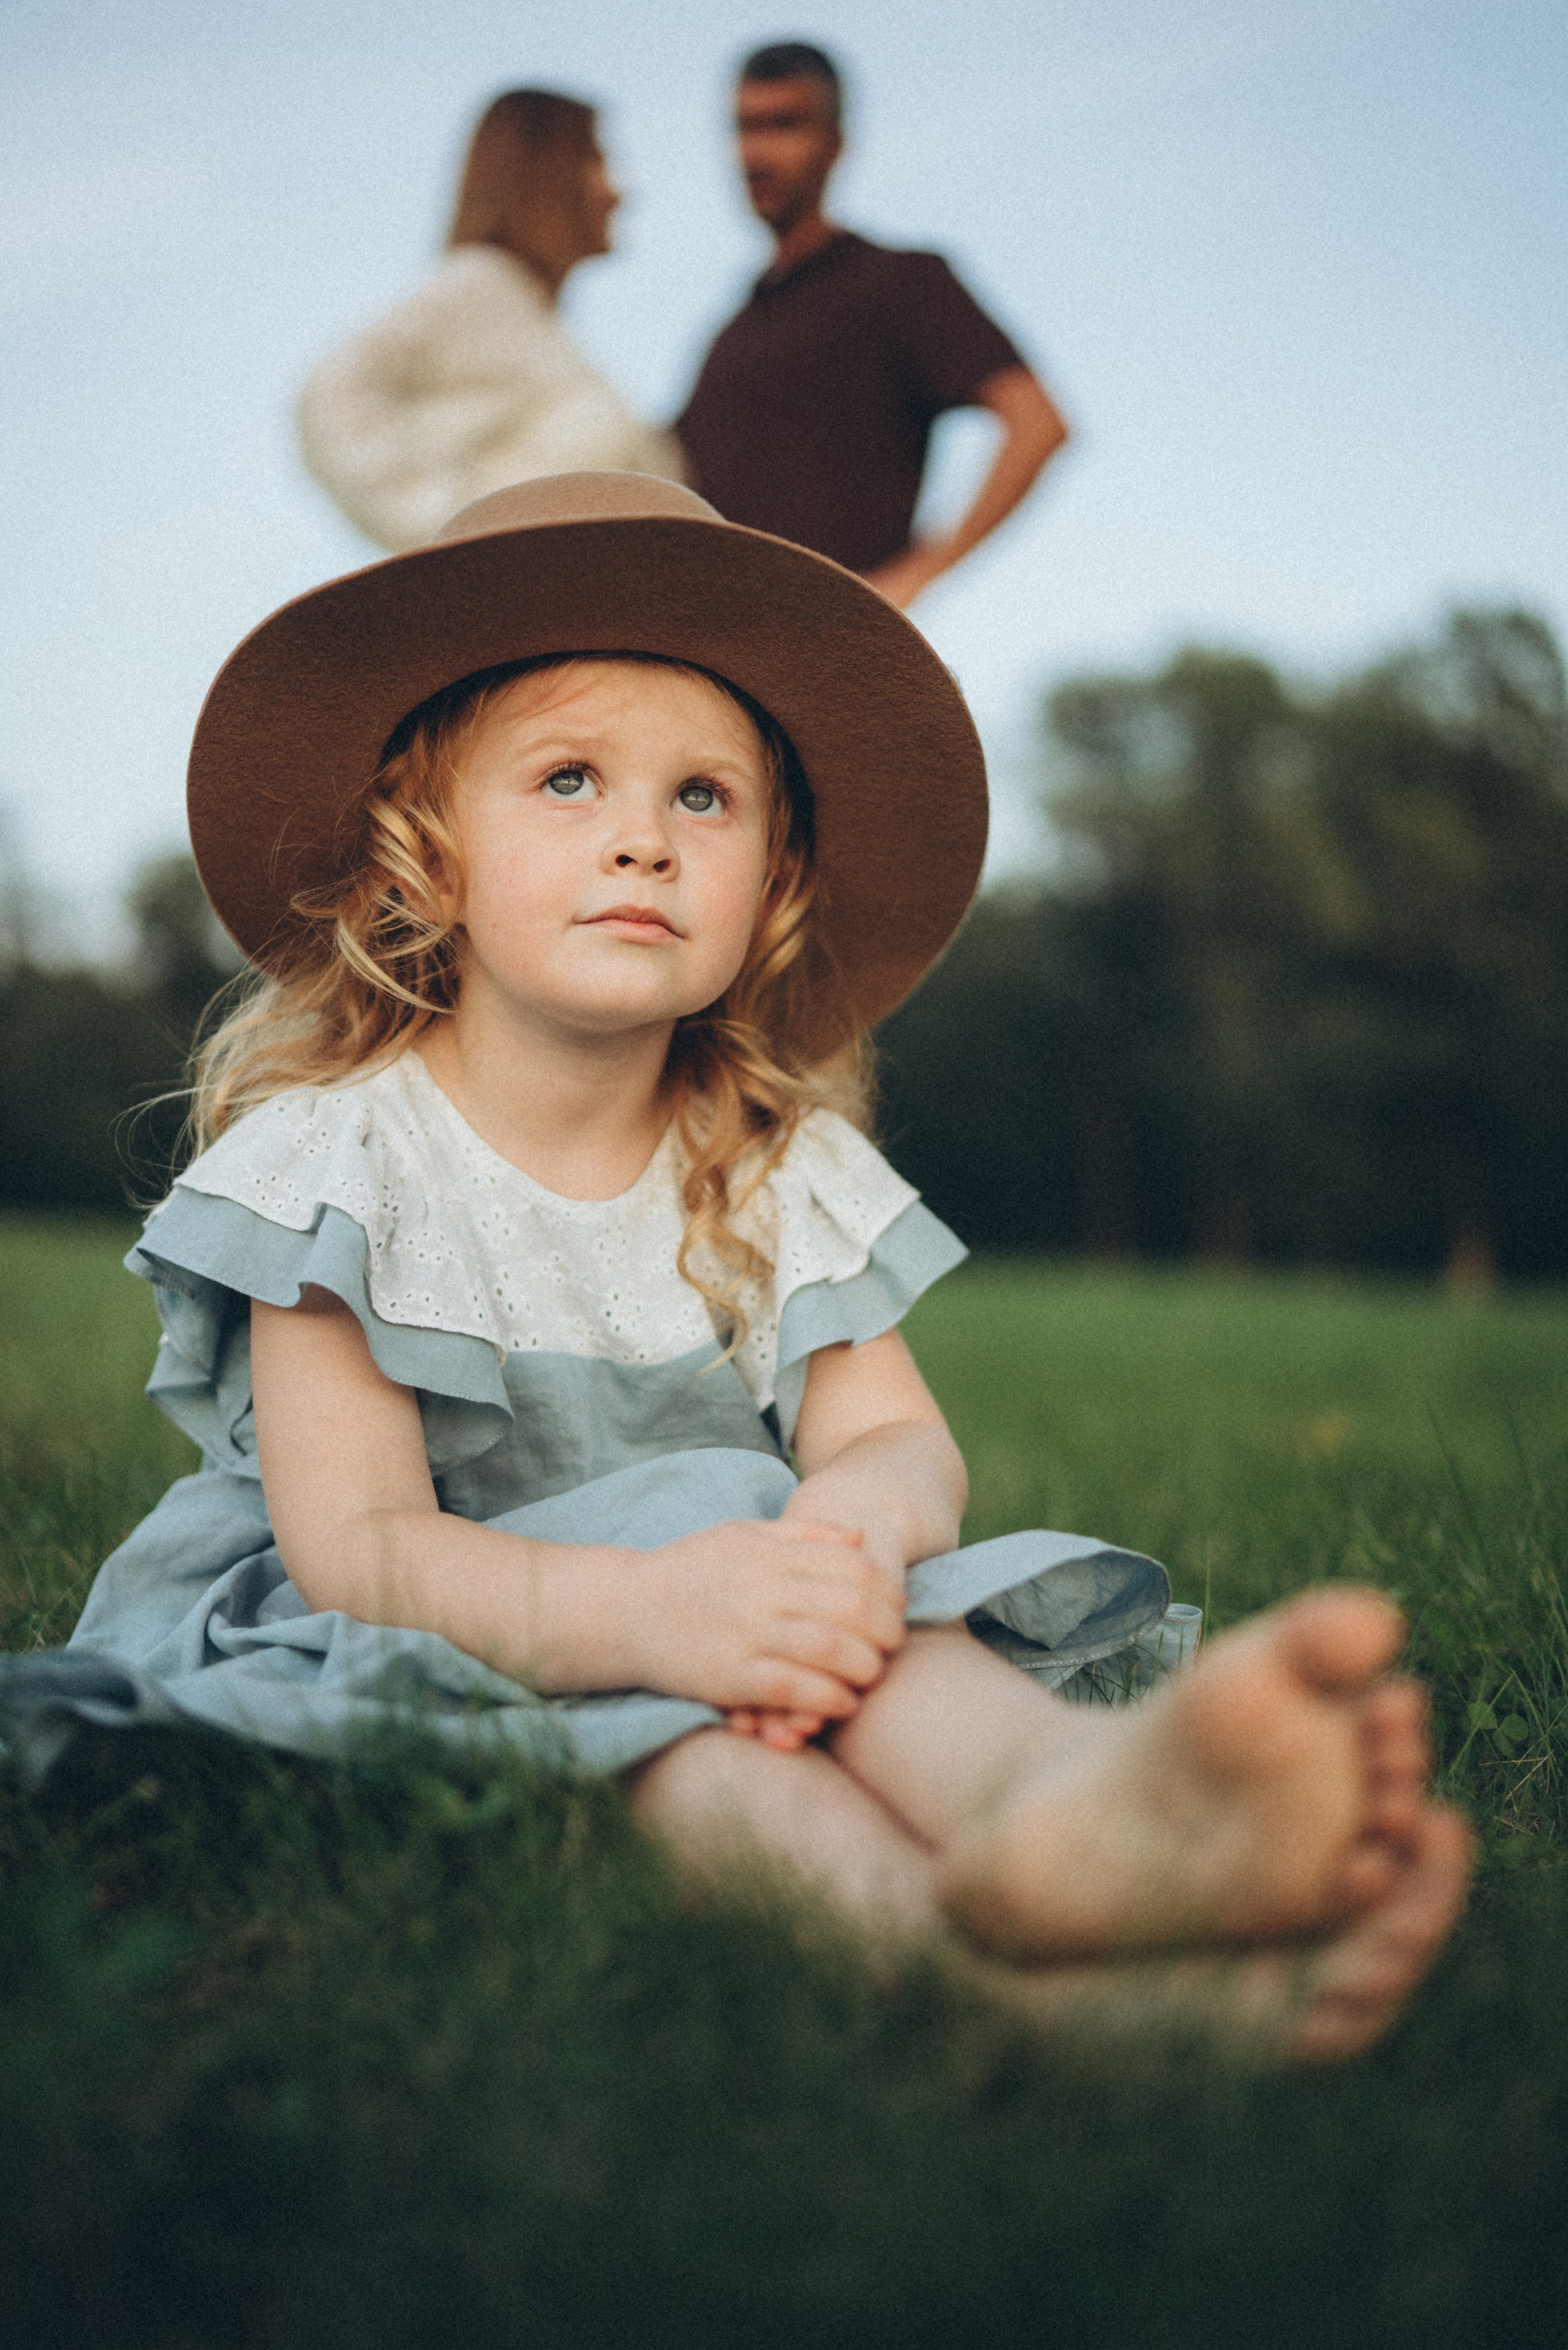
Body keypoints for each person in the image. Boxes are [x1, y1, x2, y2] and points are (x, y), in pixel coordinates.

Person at [0, 473, 1468, 2063]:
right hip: (422, 1628)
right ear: (425, 856)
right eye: (569, 780)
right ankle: (996, 1994)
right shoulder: (337, 1166)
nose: (642, 835)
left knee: (870, 1614)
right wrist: (648, 1623)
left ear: (771, 885)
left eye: (703, 799)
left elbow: (890, 1435)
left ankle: (1064, 1806)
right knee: (690, 1754)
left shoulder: (768, 1163)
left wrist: (846, 1534)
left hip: (729, 1598)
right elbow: (363, 1548)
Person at [676, 42, 1069, 608]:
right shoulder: (734, 331)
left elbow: (1037, 424)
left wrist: (915, 576)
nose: (756, 154)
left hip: (827, 655)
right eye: (745, 128)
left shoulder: (896, 281)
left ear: (835, 146)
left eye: (785, 125)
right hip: (717, 654)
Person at [298, 90, 684, 553]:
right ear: (546, 174)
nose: (616, 191)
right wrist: (445, 531)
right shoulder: (478, 285)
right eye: (595, 161)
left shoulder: (533, 321)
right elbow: (332, 395)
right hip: (507, 596)